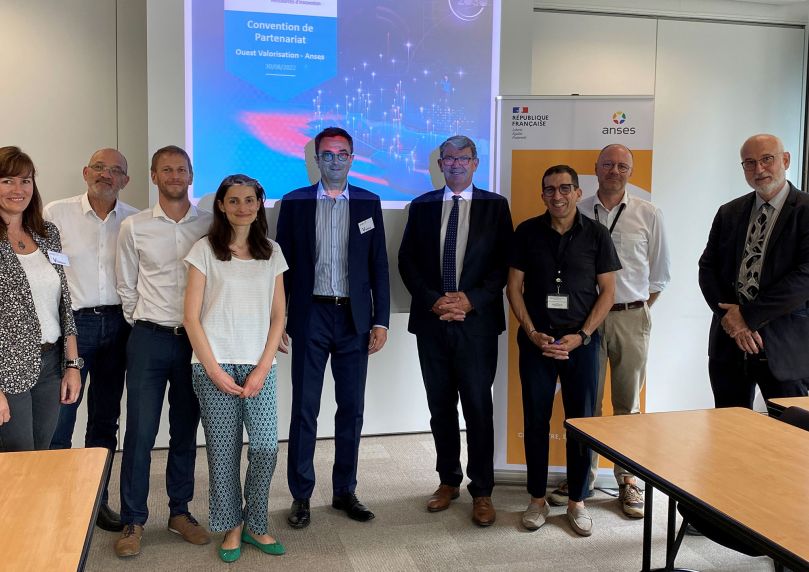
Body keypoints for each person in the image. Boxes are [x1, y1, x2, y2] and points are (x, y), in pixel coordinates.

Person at [548, 144, 671, 518]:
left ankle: (627, 479)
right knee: (586, 405)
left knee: (626, 404)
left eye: (622, 165)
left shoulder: (648, 214)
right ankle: (582, 479)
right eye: (607, 165)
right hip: (585, 321)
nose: (614, 171)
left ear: (630, 171)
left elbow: (659, 275)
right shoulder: (578, 209)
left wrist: (633, 310)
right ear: (596, 169)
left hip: (631, 316)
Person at [276, 126, 390, 528]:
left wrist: (380, 320)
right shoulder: (295, 202)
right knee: (305, 408)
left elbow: (378, 265)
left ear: (352, 159)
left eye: (343, 154)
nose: (335, 160)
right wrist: (279, 319)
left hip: (354, 319)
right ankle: (301, 495)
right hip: (311, 315)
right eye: (327, 154)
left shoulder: (369, 202)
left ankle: (345, 490)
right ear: (316, 159)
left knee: (352, 408)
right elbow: (282, 267)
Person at [398, 135, 513, 526]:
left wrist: (470, 300)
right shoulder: (422, 206)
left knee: (478, 407)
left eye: (464, 158)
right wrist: (435, 301)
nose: (456, 164)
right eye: (449, 158)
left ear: (475, 163)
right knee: (440, 406)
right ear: (440, 164)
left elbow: (503, 264)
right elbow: (407, 261)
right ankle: (448, 480)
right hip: (432, 323)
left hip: (477, 325)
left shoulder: (495, 206)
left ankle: (482, 490)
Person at [506, 165, 620, 536]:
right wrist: (532, 332)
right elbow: (513, 288)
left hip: (581, 344)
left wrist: (582, 335)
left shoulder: (597, 234)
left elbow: (608, 292)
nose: (558, 196)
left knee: (581, 423)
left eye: (565, 188)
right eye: (550, 189)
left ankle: (577, 501)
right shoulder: (526, 232)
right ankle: (537, 499)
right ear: (543, 194)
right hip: (537, 342)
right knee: (535, 422)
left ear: (577, 192)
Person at [114, 145, 212, 557]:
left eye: (181, 169)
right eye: (166, 170)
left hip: (194, 341)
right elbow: (126, 284)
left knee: (185, 430)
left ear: (191, 175)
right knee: (139, 432)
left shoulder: (209, 224)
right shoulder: (134, 226)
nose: (174, 176)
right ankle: (133, 520)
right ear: (154, 176)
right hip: (149, 339)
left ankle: (179, 512)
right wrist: (144, 320)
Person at [183, 175, 287, 563]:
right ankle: (232, 526)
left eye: (249, 200)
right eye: (233, 200)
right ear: (221, 206)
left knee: (265, 447)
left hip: (260, 365)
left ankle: (256, 523)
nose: (242, 207)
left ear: (259, 204)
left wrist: (262, 367)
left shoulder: (272, 252)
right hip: (214, 366)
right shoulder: (204, 250)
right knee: (223, 452)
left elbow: (278, 317)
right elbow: (191, 318)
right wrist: (213, 371)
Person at [44, 148, 139, 531]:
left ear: (125, 180)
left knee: (105, 420)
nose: (106, 175)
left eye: (115, 170)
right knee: (60, 419)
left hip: (118, 326)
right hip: (73, 327)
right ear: (86, 172)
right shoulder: (56, 213)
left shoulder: (133, 220)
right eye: (99, 167)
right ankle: (56, 504)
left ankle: (96, 500)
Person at [699, 133, 809, 408]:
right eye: (749, 163)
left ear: (786, 160)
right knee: (729, 430)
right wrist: (732, 320)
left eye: (766, 159)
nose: (759, 169)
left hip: (785, 348)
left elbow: (805, 276)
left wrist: (748, 317)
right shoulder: (729, 212)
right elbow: (708, 268)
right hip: (729, 346)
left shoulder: (806, 210)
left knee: (788, 430)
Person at [0, 146, 81, 452]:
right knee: (17, 461)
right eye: (7, 181)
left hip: (51, 363)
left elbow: (64, 303)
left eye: (26, 180)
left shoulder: (47, 233)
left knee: (41, 458)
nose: (18, 189)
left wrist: (72, 365)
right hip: (6, 368)